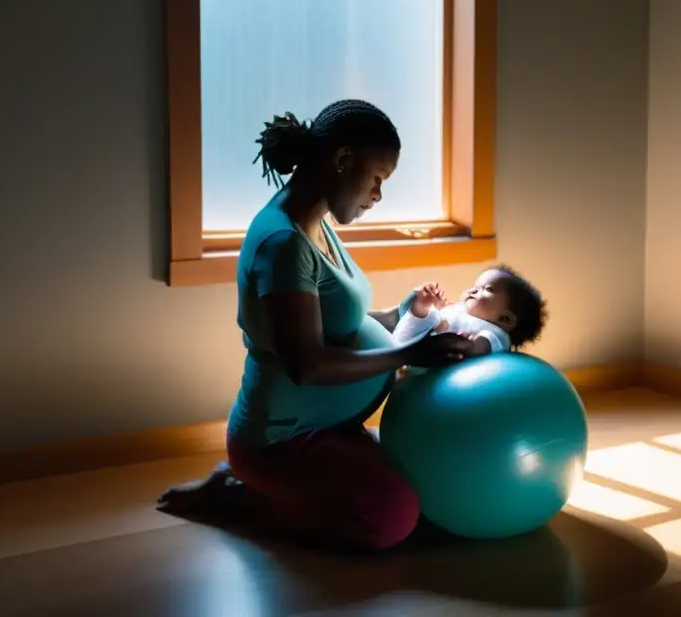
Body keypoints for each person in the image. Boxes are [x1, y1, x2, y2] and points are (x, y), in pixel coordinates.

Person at [156, 100, 476, 550]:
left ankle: (263, 486)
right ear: (343, 161)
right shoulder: (284, 242)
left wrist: (407, 314)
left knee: (424, 480)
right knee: (394, 519)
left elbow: (340, 323)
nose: (378, 196)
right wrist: (407, 355)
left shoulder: (315, 223)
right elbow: (306, 365)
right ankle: (244, 496)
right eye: (378, 179)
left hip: (329, 424)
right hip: (280, 440)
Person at [394, 267, 548, 357]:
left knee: (425, 316)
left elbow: (482, 346)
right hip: (414, 344)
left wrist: (469, 346)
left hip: (431, 357)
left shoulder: (494, 333)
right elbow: (447, 320)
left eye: (487, 289)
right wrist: (439, 306)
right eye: (475, 285)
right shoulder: (463, 312)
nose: (473, 290)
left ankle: (419, 311)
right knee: (426, 313)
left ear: (505, 319)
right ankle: (420, 308)